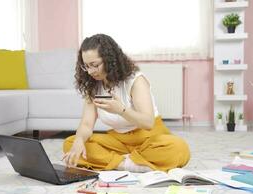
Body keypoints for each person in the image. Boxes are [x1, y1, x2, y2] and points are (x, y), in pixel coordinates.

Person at [62, 34, 190, 172]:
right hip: (119, 141)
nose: (90, 71)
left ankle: (117, 161)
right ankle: (129, 164)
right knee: (70, 143)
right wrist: (79, 141)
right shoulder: (93, 86)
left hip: (149, 138)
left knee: (179, 149)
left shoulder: (135, 81)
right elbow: (86, 124)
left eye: (95, 65)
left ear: (109, 60)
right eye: (86, 66)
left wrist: (121, 110)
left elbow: (148, 123)